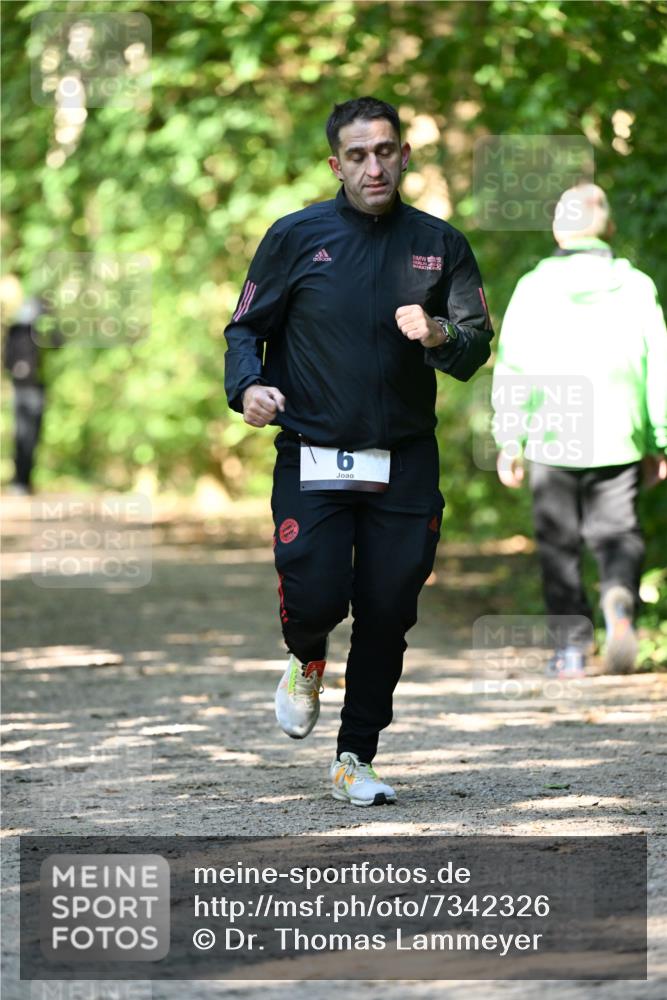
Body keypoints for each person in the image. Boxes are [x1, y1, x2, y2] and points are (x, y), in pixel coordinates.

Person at [224, 96, 493, 806]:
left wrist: (438, 334)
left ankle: (355, 756)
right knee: (315, 592)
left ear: (403, 154)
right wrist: (248, 388)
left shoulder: (441, 243)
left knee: (386, 606)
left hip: (403, 458)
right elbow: (243, 329)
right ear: (335, 164)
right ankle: (305, 655)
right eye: (357, 155)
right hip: (312, 450)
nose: (373, 166)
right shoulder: (294, 236)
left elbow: (475, 348)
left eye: (384, 151)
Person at [492, 183, 667, 677]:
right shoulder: (636, 286)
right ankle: (618, 599)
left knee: (558, 543)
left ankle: (570, 648)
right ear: (608, 227)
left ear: (557, 229)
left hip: (553, 433)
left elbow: (514, 368)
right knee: (618, 534)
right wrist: (660, 439)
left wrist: (510, 437)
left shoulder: (534, 287)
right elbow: (659, 367)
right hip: (619, 432)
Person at [3, 297, 49, 495]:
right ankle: (18, 482)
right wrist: (16, 369)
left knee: (33, 437)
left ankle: (26, 481)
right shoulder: (15, 331)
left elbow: (59, 343)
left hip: (37, 389)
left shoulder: (41, 333)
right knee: (21, 436)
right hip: (20, 389)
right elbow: (6, 359)